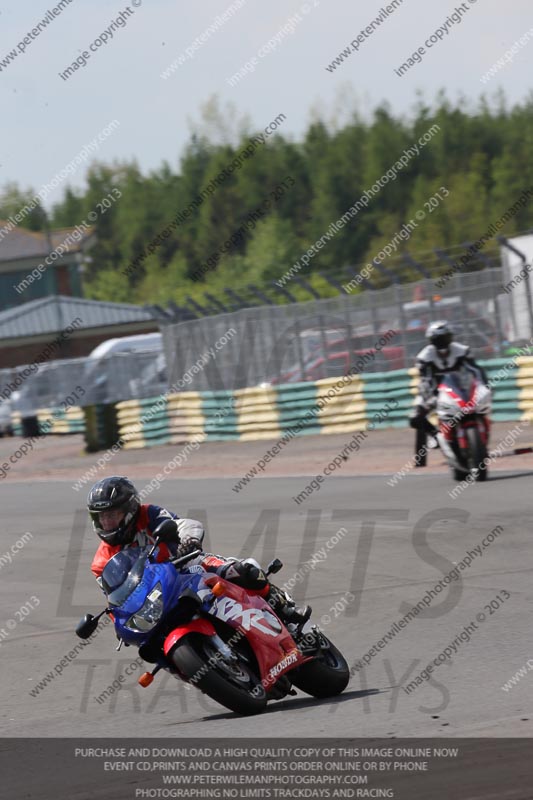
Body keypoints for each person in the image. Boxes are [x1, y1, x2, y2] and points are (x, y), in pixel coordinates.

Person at [88, 476, 311, 630]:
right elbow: (113, 598)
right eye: (102, 517)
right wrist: (121, 620)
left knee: (242, 571)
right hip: (154, 593)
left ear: (129, 509)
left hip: (186, 565)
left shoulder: (150, 514)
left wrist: (190, 541)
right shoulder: (101, 562)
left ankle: (287, 612)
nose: (107, 522)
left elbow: (184, 525)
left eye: (112, 514)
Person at [409, 320, 488, 444]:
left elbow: (476, 370)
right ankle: (436, 436)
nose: (442, 342)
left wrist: (484, 386)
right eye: (438, 339)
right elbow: (425, 380)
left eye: (445, 338)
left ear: (450, 337)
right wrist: (429, 398)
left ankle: (482, 431)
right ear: (431, 340)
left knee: (482, 406)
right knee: (415, 418)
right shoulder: (424, 357)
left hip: (461, 388)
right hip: (434, 391)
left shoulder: (462, 350)